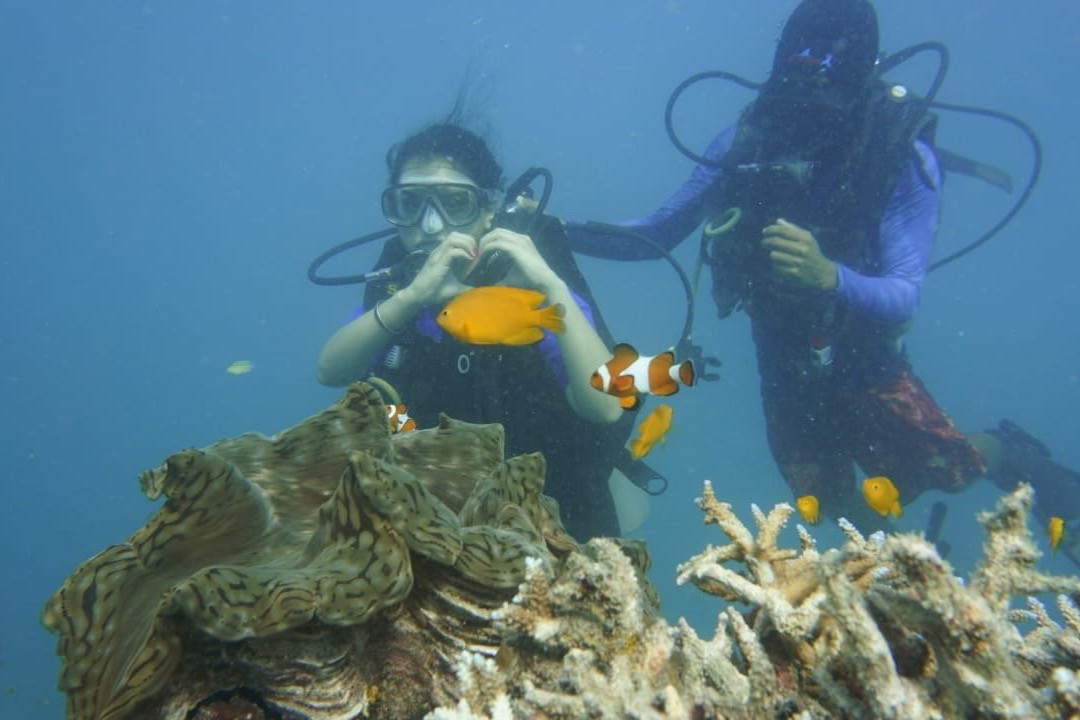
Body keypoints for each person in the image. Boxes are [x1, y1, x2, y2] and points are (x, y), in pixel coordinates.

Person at [567, 0, 1080, 536]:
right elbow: (656, 234)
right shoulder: (746, 139)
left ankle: (1010, 451)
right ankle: (887, 567)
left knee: (943, 470)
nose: (808, 66)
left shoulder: (898, 150)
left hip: (861, 346)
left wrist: (829, 276)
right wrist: (552, 226)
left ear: (859, 64)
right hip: (780, 346)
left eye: (827, 54)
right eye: (799, 50)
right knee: (820, 494)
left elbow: (905, 292)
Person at [318, 117, 639, 540]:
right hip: (432, 521)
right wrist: (410, 299)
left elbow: (606, 408)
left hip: (556, 516)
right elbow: (330, 371)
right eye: (409, 203)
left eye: (455, 203)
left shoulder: (527, 285)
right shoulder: (399, 290)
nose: (431, 225)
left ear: (488, 210)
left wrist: (550, 284)